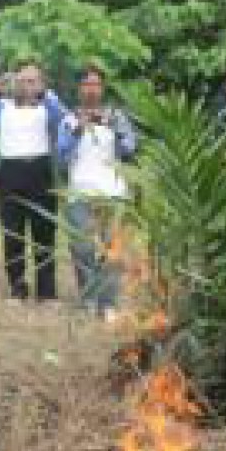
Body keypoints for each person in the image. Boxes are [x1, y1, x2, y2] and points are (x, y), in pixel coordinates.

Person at [0, 60, 67, 302]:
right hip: (10, 172)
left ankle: (47, 293)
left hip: (40, 170)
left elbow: (63, 121)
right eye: (22, 80)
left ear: (42, 83)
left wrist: (44, 94)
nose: (27, 85)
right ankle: (17, 288)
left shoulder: (49, 102)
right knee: (13, 234)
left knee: (44, 233)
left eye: (32, 80)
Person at [57, 64, 139, 319]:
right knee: (82, 248)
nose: (92, 89)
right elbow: (61, 157)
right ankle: (89, 299)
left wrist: (111, 126)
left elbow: (130, 149)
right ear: (79, 89)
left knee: (111, 249)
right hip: (79, 194)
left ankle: (109, 302)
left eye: (96, 84)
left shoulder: (116, 116)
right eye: (87, 84)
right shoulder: (68, 119)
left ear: (102, 88)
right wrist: (79, 129)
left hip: (113, 193)